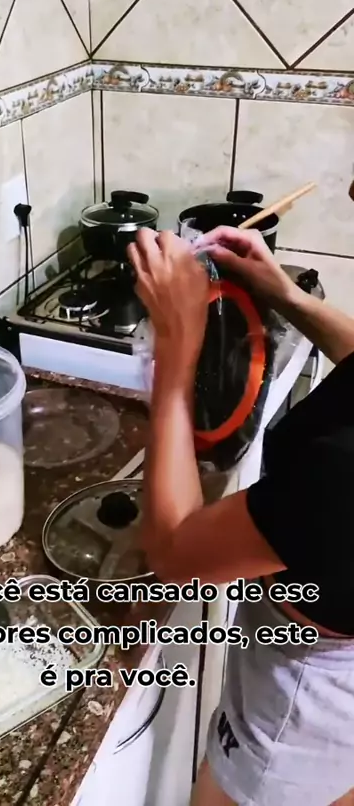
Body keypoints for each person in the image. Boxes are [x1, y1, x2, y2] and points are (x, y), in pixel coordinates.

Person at [127, 225, 354, 806]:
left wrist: (177, 346)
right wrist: (288, 297)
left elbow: (174, 553)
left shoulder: (343, 472)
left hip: (305, 692)